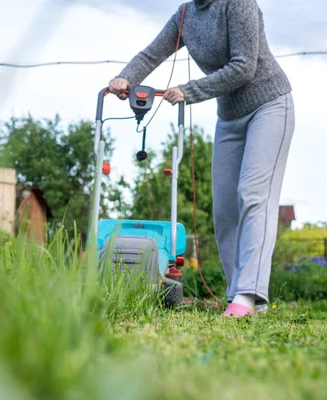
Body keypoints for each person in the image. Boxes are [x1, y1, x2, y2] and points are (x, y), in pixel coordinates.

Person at [109, 0, 295, 317]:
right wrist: (126, 77)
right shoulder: (186, 14)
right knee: (224, 211)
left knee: (253, 195)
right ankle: (236, 294)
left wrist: (189, 90)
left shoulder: (237, 5)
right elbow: (153, 53)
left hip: (270, 106)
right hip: (230, 118)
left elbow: (244, 67)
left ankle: (249, 297)